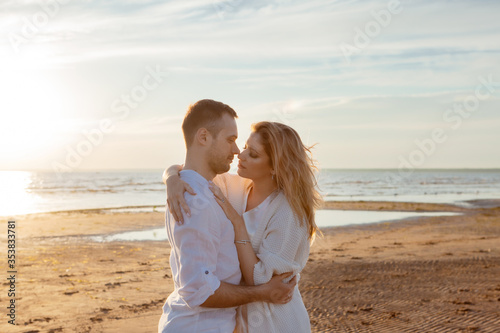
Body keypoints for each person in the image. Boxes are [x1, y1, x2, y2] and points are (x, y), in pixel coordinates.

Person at [165, 120, 323, 332]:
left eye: (253, 154)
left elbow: (259, 279)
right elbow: (189, 168)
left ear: (275, 166)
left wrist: (238, 224)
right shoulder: (236, 187)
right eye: (246, 147)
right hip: (240, 318)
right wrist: (171, 179)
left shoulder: (289, 212)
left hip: (275, 321)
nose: (241, 155)